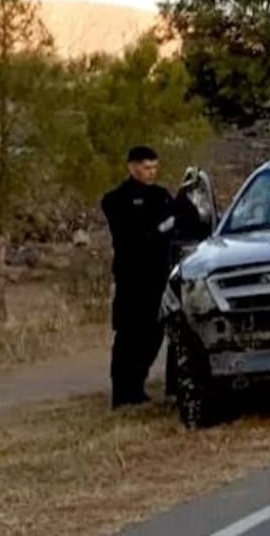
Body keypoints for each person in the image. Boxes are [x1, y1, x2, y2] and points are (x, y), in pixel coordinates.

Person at [100, 145, 177, 408]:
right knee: (128, 335)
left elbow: (178, 218)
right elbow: (134, 232)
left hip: (158, 275)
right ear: (132, 168)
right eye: (146, 168)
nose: (151, 172)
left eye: (155, 167)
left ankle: (137, 386)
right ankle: (122, 392)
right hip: (131, 277)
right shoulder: (116, 199)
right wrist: (158, 229)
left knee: (154, 333)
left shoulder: (161, 196)